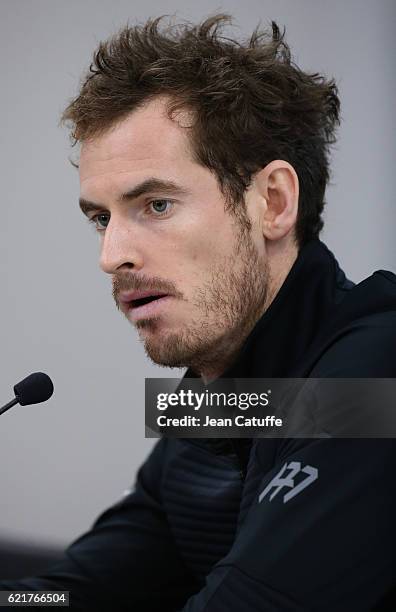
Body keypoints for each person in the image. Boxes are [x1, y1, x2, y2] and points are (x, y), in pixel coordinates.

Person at [1, 14, 396, 611]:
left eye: (156, 204)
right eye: (101, 219)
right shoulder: (216, 393)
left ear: (273, 202)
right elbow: (72, 596)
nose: (111, 256)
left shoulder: (373, 376)